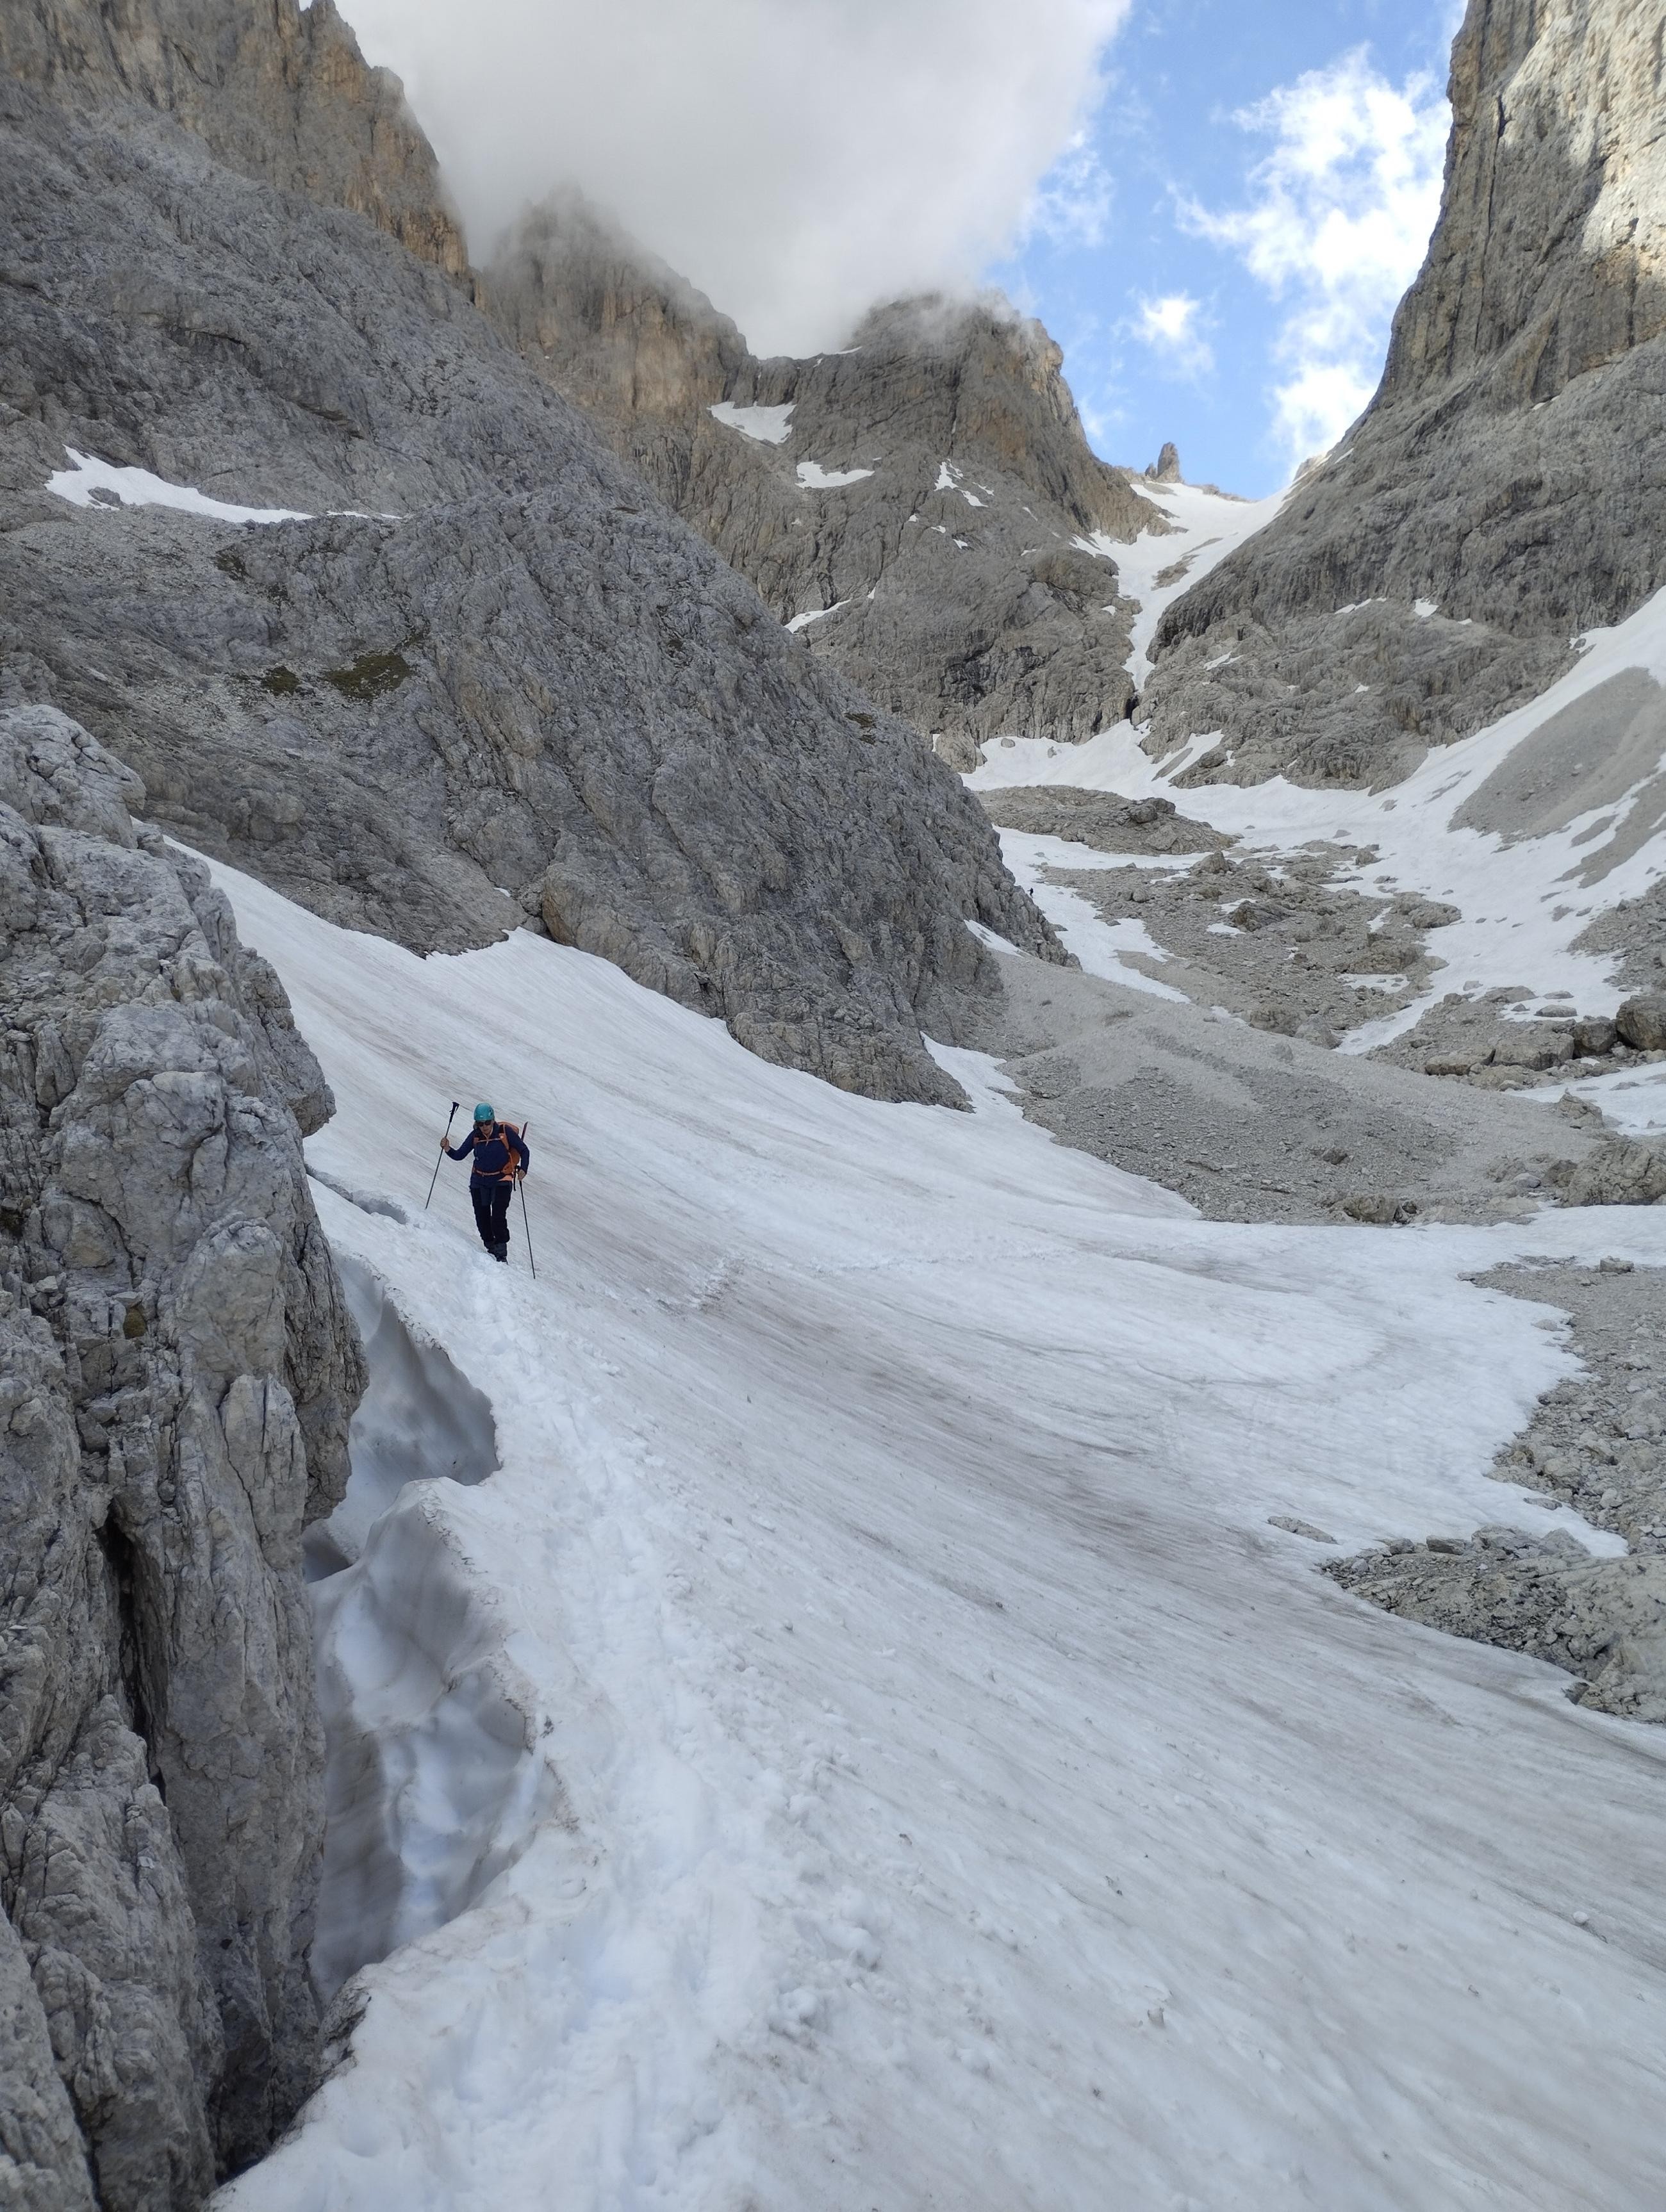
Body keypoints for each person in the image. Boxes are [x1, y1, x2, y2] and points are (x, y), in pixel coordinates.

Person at [444, 1103, 530, 1262]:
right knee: (482, 1219)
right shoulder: (475, 1136)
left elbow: (524, 1150)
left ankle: (501, 1253)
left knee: (498, 1216)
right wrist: (448, 1149)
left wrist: (524, 1169)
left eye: (487, 1123)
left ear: (493, 1120)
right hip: (479, 1181)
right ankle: (490, 1247)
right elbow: (459, 1155)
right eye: (480, 1124)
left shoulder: (505, 1132)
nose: (484, 1127)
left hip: (502, 1180)